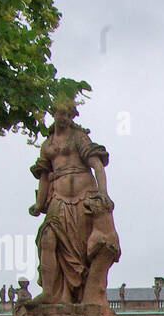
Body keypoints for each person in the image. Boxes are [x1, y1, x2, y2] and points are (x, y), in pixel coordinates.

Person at [28, 94, 120, 305]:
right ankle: (49, 292)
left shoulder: (78, 137)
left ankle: (74, 295)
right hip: (58, 200)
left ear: (72, 116)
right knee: (47, 238)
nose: (63, 117)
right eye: (60, 113)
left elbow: (97, 164)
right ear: (53, 113)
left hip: (83, 199)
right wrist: (39, 204)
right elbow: (44, 176)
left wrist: (103, 193)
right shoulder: (47, 144)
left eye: (67, 114)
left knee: (80, 252)